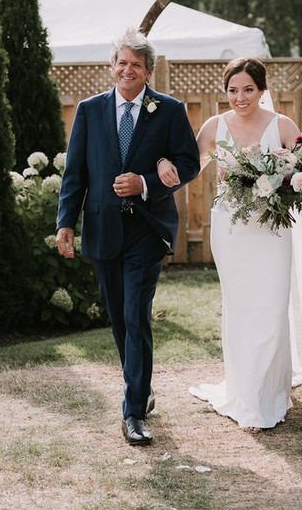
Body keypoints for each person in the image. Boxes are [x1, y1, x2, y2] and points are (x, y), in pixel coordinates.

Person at [55, 28, 199, 446]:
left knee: (136, 315)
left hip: (147, 230)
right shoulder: (89, 110)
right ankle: (142, 386)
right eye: (122, 62)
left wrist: (147, 182)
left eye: (137, 64)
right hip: (101, 228)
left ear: (149, 71)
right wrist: (66, 221)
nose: (127, 70)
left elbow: (189, 163)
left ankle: (133, 411)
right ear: (112, 66)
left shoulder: (169, 111)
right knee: (119, 318)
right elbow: (76, 173)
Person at [182, 57, 302, 432]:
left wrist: (295, 178)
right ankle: (248, 396)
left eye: (248, 89)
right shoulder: (214, 127)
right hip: (231, 229)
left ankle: (270, 390)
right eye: (233, 90)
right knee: (241, 309)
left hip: (273, 229)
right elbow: (188, 168)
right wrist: (163, 166)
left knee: (273, 310)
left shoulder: (283, 125)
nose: (240, 97)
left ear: (261, 90)